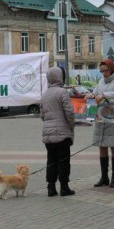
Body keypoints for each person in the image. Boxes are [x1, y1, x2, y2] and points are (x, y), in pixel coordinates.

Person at [86, 59, 114, 188]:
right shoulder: (100, 82)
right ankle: (104, 177)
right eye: (102, 71)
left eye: (106, 71)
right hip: (102, 118)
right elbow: (94, 94)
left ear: (112, 68)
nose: (104, 74)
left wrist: (105, 95)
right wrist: (90, 96)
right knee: (102, 146)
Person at [40, 66, 75, 197]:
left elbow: (42, 115)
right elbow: (69, 112)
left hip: (48, 134)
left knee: (51, 160)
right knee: (64, 161)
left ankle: (51, 187)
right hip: (62, 133)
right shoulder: (62, 92)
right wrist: (71, 126)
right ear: (60, 77)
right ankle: (64, 187)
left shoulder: (44, 94)